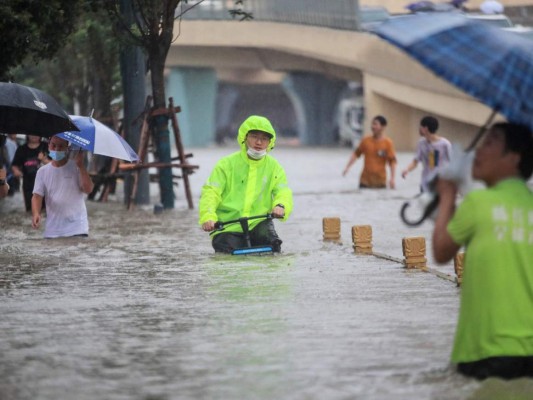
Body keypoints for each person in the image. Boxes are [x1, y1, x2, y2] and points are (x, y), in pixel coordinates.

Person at [432, 122, 533, 380]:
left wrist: (446, 197)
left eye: (490, 143)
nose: (478, 151)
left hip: (484, 350)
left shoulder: (478, 203)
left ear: (514, 158)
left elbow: (442, 250)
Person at [199, 115, 293, 253]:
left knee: (274, 246)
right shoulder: (226, 164)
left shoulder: (274, 167)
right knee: (225, 254)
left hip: (259, 223)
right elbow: (211, 192)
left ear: (270, 143)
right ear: (244, 137)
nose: (259, 142)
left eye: (264, 139)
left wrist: (280, 206)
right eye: (254, 136)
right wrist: (208, 217)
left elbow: (283, 191)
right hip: (228, 225)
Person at [32, 135, 94, 238]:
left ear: (67, 148)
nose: (56, 149)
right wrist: (36, 213)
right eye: (53, 145)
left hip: (77, 228)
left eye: (60, 146)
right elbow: (37, 196)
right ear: (48, 145)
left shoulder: (76, 167)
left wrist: (81, 167)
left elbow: (88, 189)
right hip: (52, 230)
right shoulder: (42, 172)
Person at [342, 115, 397, 189]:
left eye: (375, 124)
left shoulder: (388, 143)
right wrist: (347, 167)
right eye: (372, 124)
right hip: (364, 182)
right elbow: (356, 154)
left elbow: (392, 162)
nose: (373, 126)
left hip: (380, 182)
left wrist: (392, 178)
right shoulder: (365, 141)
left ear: (383, 127)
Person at [401, 116, 452, 192]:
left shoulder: (445, 144)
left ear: (425, 128)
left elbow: (453, 164)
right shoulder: (421, 143)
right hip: (425, 183)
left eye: (420, 127)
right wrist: (407, 170)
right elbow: (415, 161)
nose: (419, 129)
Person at [11, 135, 48, 211]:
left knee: (46, 210)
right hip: (28, 185)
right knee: (31, 210)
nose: (34, 136)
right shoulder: (21, 149)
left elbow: (56, 163)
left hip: (46, 185)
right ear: (27, 134)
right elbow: (15, 165)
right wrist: (16, 171)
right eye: (31, 133)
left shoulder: (47, 146)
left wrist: (44, 160)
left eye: (36, 133)